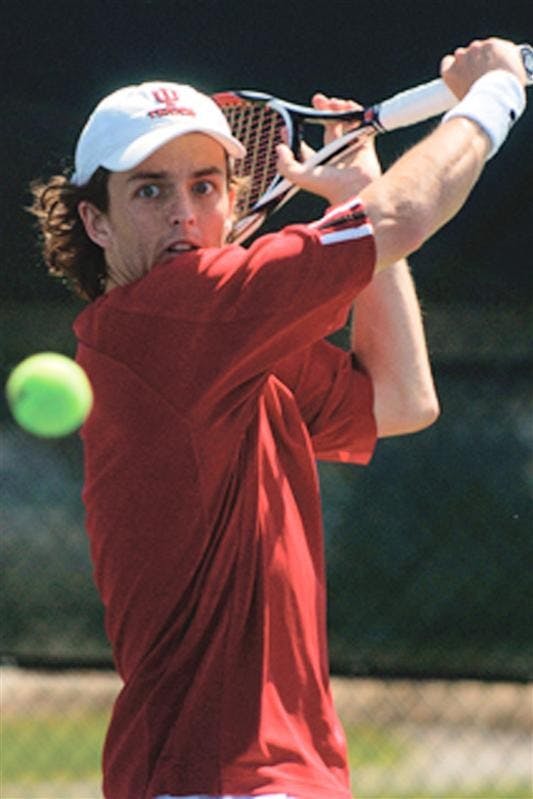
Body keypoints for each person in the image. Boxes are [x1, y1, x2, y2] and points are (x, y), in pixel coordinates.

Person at [30, 37, 527, 799]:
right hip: (226, 782)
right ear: (95, 222)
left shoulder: (215, 354)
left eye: (204, 186)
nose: (185, 214)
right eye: (150, 191)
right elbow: (404, 214)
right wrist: (495, 95)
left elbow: (400, 400)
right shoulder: (171, 319)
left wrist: (350, 201)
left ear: (235, 198)